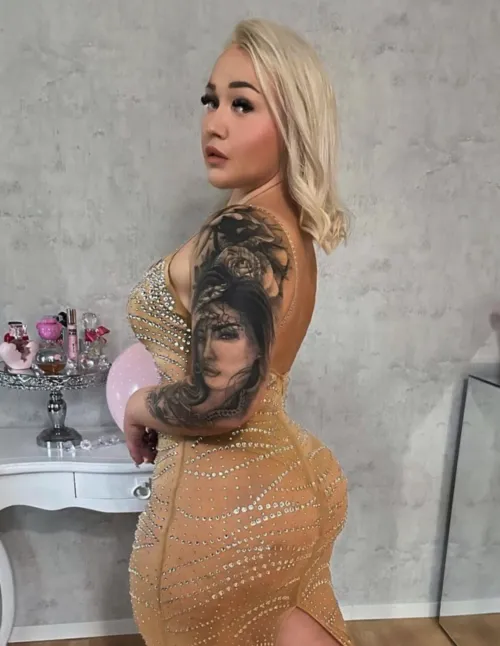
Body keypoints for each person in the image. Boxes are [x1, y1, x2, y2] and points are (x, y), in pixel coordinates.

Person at [124, 17, 352, 646]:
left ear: (293, 123)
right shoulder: (288, 224)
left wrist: (140, 404)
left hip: (222, 508)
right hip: (288, 484)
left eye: (242, 104)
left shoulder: (242, 232)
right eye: (211, 101)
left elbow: (224, 399)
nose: (214, 123)